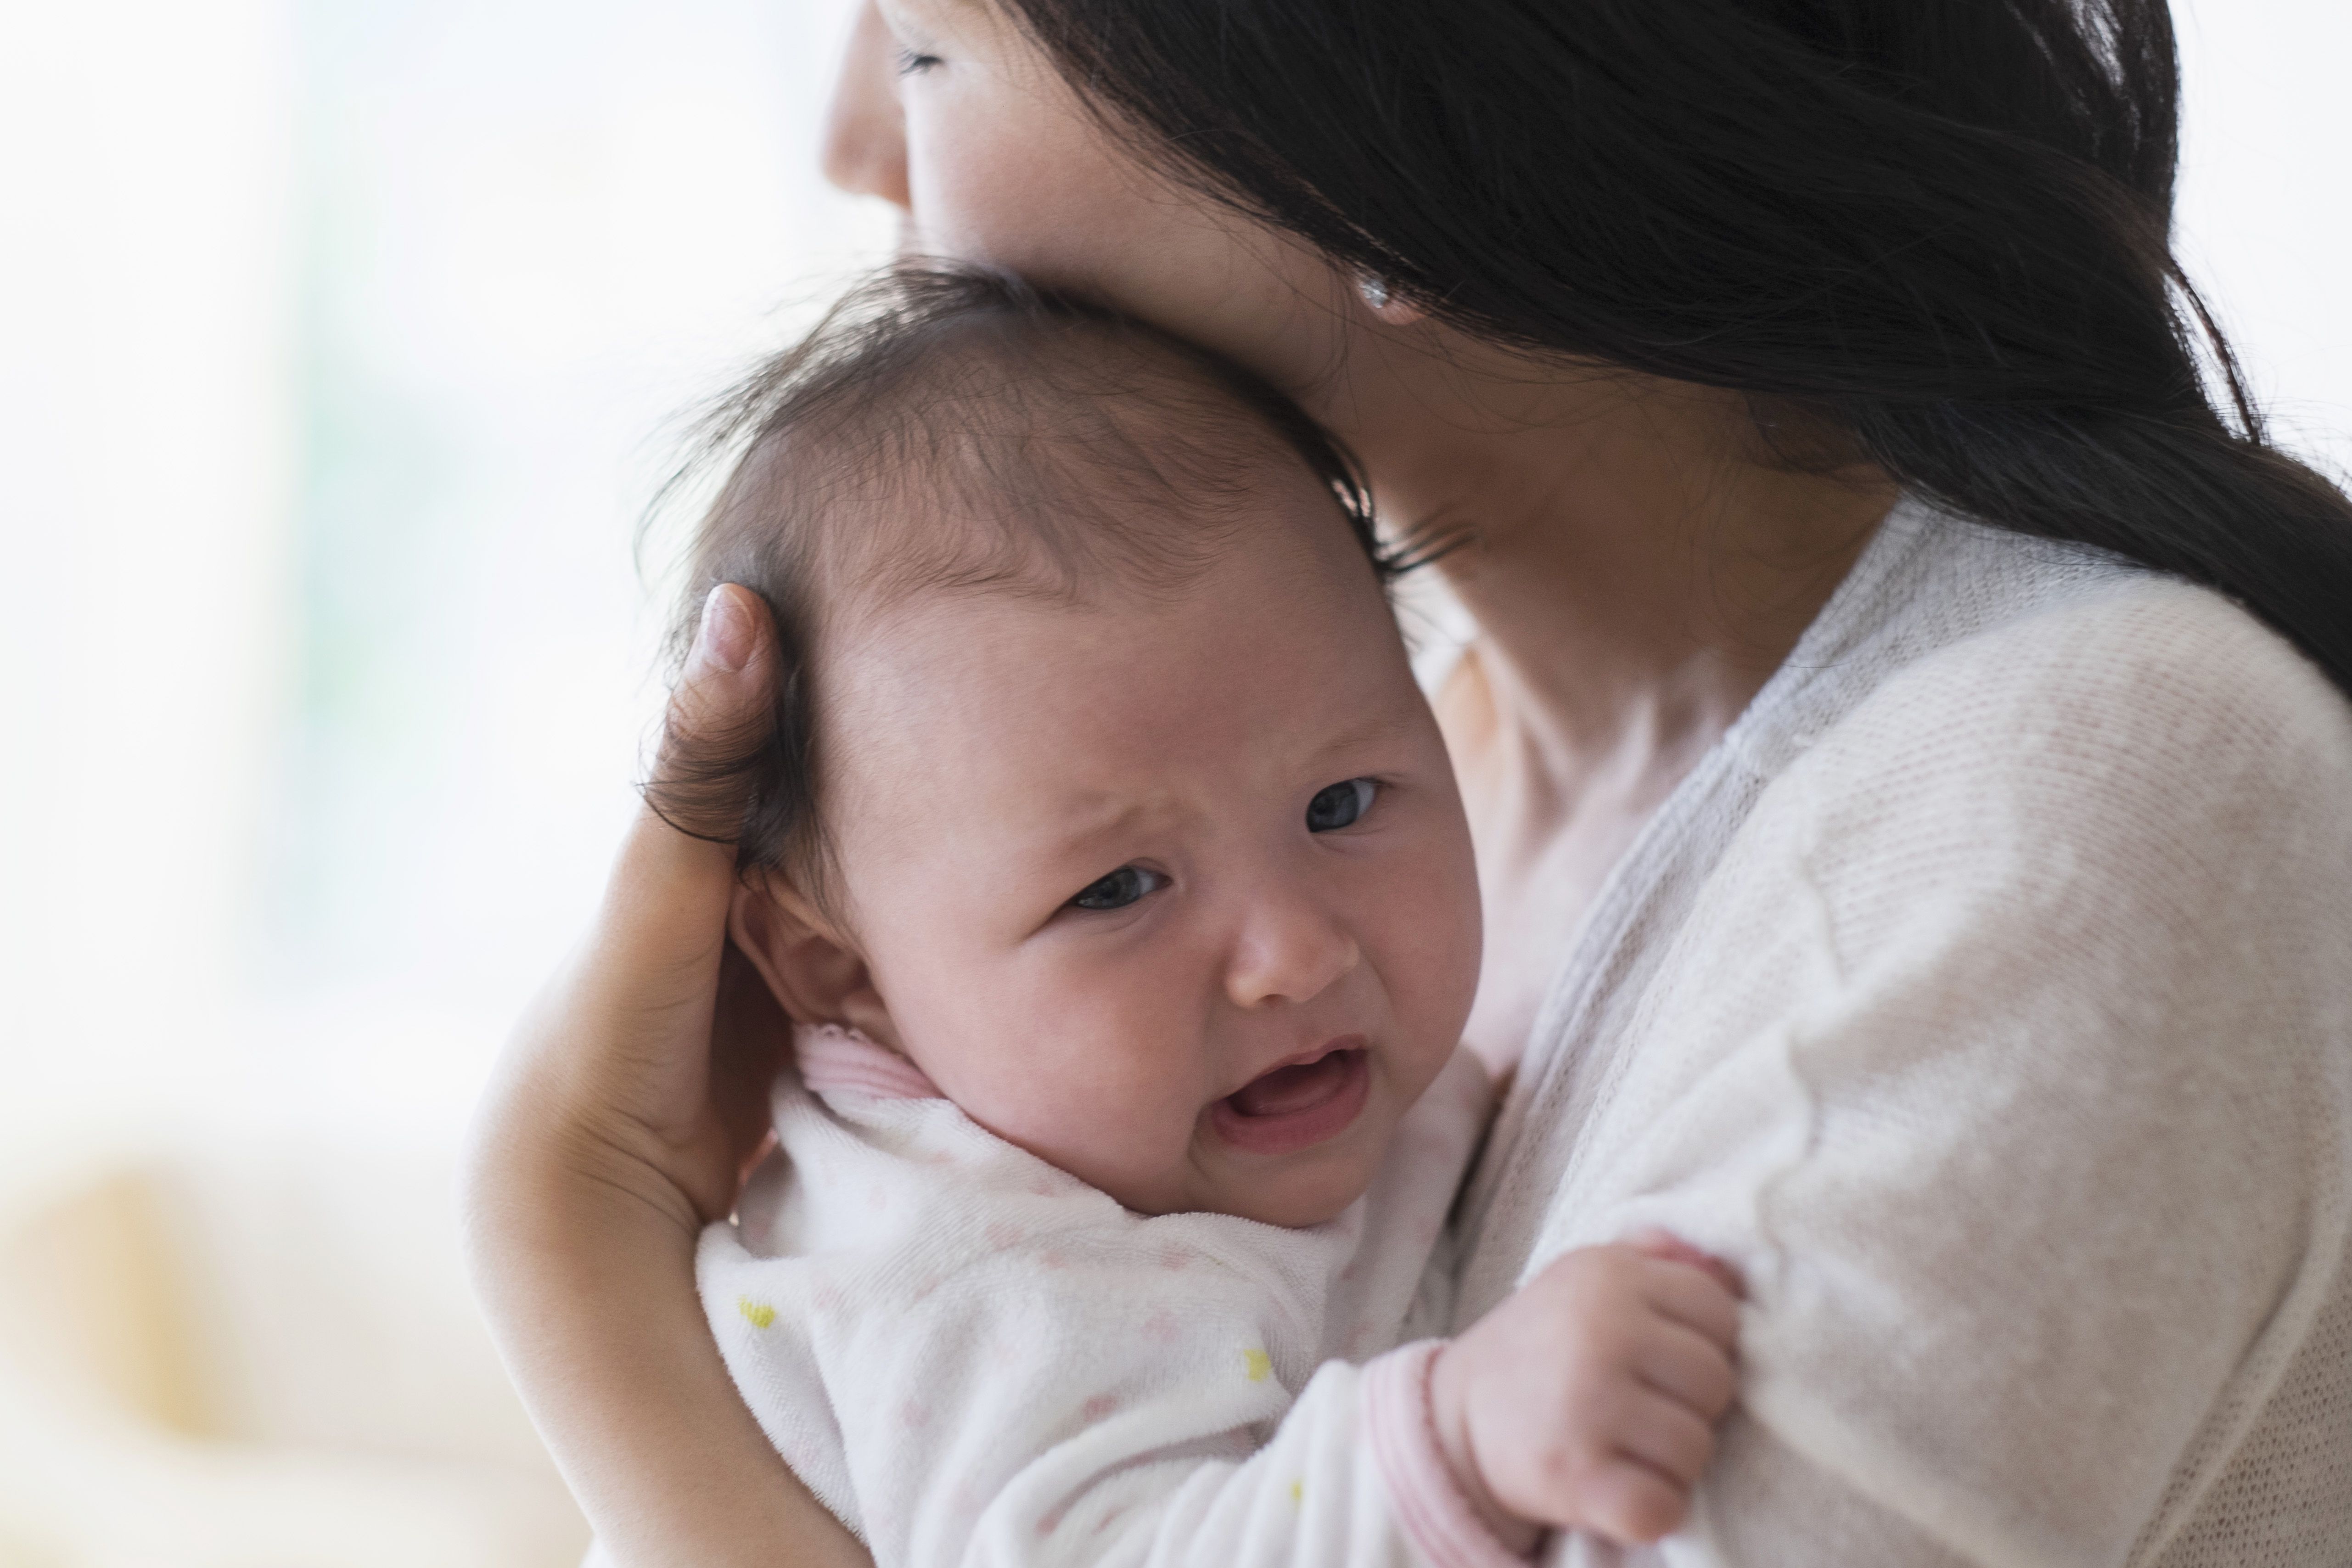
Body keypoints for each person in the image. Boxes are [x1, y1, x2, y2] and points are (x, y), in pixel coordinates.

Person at [463, 2, 2352, 1564]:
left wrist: (577, 1248)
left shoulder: (2050, 797)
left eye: (936, 45)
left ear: (1366, 109)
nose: (856, 141)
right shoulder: (1396, 767)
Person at [666, 264, 1741, 1567]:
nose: (1294, 955)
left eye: (1343, 803)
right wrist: (1446, 1443)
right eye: (1116, 891)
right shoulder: (981, 1272)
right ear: (842, 971)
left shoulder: (1181, 1121)